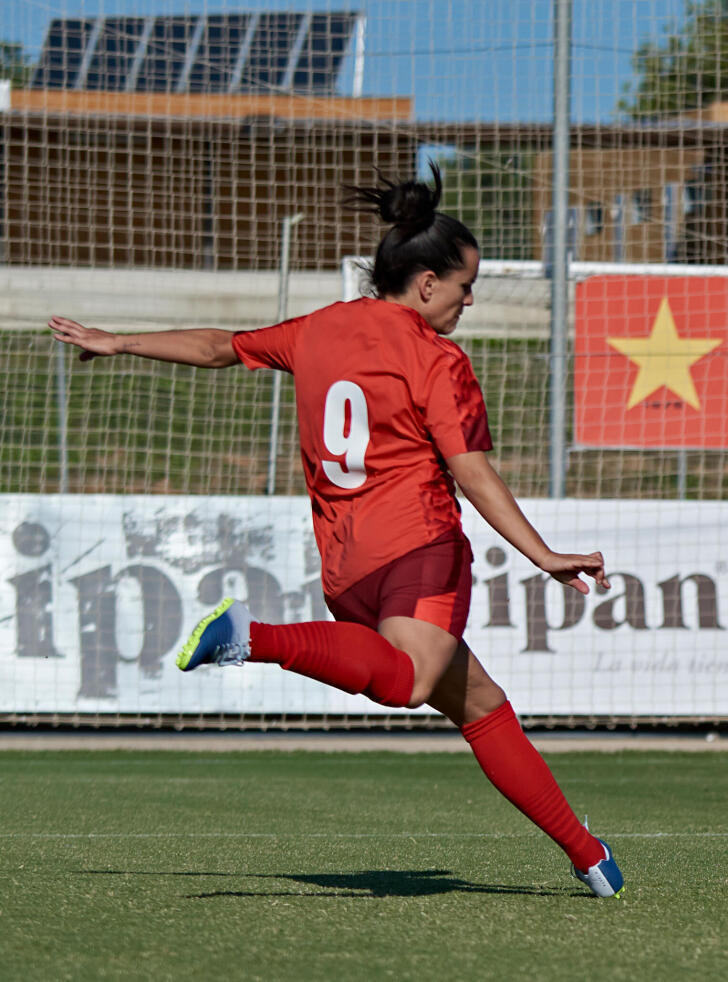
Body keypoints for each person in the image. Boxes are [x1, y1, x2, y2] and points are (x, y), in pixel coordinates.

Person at [47, 167, 624, 899]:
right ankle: (251, 639)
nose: (468, 299)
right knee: (410, 680)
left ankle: (588, 855)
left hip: (347, 567)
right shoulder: (437, 358)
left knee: (476, 702)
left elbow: (218, 347)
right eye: (464, 284)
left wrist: (120, 343)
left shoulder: (316, 329)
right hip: (419, 550)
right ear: (423, 283)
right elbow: (472, 473)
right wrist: (544, 555)